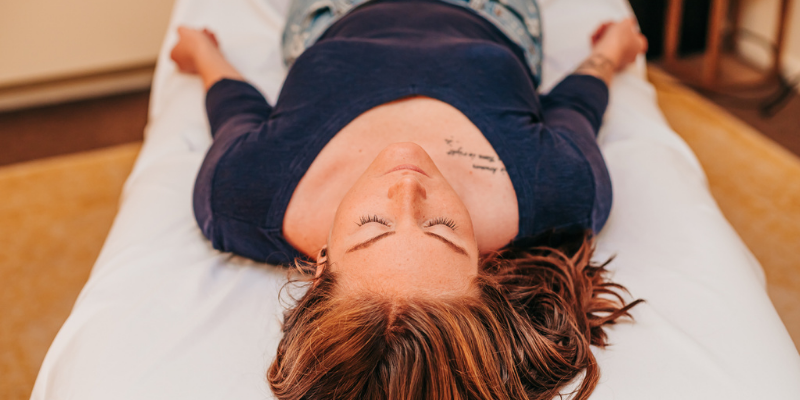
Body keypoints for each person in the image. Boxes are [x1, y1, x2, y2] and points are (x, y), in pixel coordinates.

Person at [170, 0, 647, 398]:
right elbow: (575, 105)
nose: (407, 186)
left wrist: (203, 54)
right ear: (488, 271)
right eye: (442, 228)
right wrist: (613, 49)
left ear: (320, 266)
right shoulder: (559, 189)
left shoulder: (242, 194)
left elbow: (237, 108)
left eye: (373, 223)